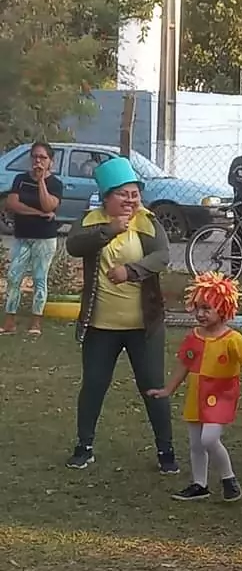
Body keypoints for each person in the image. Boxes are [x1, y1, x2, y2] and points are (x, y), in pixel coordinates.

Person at [64, 156, 178, 474]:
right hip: (100, 325)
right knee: (94, 385)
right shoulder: (90, 221)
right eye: (122, 194)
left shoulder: (147, 222)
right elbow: (74, 246)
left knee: (152, 386)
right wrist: (109, 230)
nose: (130, 200)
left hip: (144, 325)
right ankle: (84, 447)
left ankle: (166, 450)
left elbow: (162, 256)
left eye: (134, 193)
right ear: (106, 197)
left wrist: (131, 270)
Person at [148, 272, 242, 502]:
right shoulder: (194, 337)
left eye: (207, 308)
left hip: (221, 395)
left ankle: (229, 478)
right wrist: (168, 390)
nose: (200, 314)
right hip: (197, 394)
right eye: (198, 308)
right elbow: (184, 364)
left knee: (209, 439)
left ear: (223, 309)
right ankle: (199, 484)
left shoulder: (233, 339)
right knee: (196, 443)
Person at [1, 141, 63, 336]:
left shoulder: (55, 184)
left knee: (39, 278)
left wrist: (41, 181)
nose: (38, 161)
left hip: (44, 238)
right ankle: (9, 320)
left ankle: (36, 321)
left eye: (43, 157)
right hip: (22, 236)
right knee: (14, 276)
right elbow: (12, 204)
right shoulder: (20, 179)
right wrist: (38, 213)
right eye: (35, 156)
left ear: (50, 161)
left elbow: (49, 205)